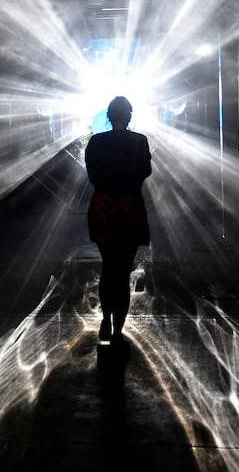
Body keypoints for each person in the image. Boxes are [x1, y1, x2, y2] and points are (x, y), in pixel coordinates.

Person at [85, 96, 152, 343]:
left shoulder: (96, 142)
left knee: (108, 265)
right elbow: (145, 170)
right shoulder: (139, 141)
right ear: (130, 115)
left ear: (109, 116)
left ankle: (105, 319)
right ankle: (118, 327)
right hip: (129, 207)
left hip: (104, 207)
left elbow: (91, 174)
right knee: (123, 270)